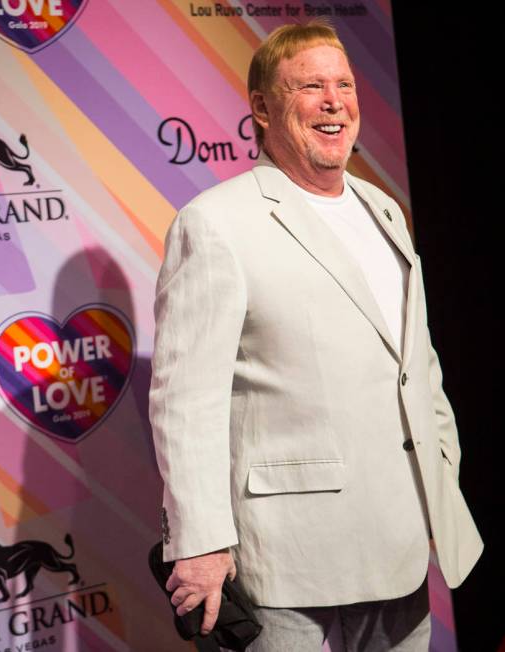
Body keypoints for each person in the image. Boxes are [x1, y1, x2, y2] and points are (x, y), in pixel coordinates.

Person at [149, 20, 483, 651]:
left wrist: (443, 482)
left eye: (345, 85)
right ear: (263, 108)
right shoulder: (215, 225)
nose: (335, 101)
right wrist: (198, 542)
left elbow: (419, 363)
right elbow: (184, 401)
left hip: (401, 545)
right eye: (310, 86)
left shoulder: (384, 209)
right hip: (287, 561)